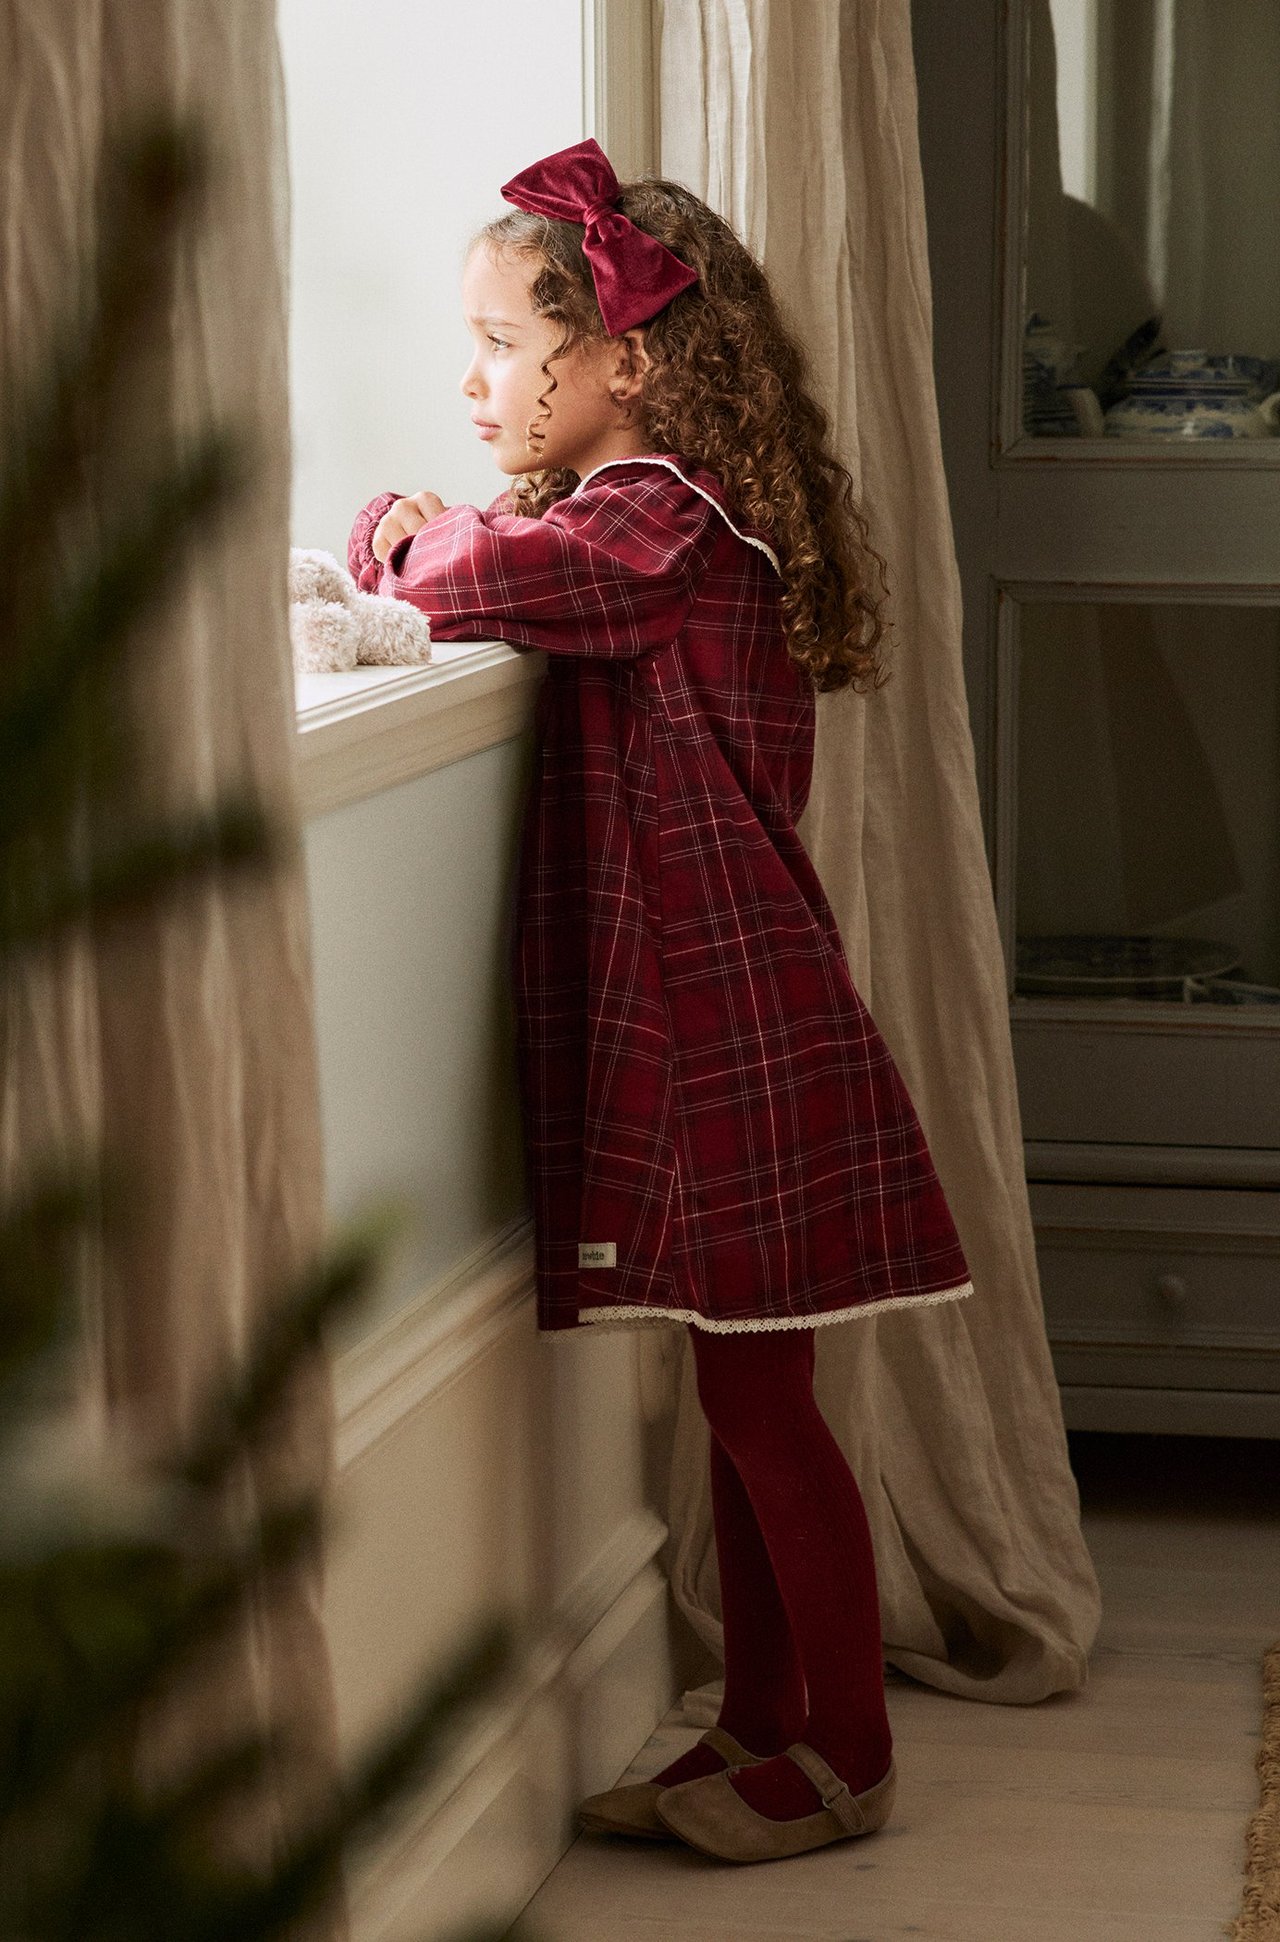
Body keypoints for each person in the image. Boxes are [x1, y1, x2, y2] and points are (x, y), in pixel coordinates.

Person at [347, 136, 973, 1866]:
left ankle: (842, 1745)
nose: (471, 378)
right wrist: (428, 525)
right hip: (729, 1005)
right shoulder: (661, 518)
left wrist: (399, 533)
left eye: (498, 341)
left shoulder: (658, 521)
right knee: (743, 1397)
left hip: (733, 1018)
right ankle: (763, 1723)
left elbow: (478, 579)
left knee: (763, 1405)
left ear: (622, 359)